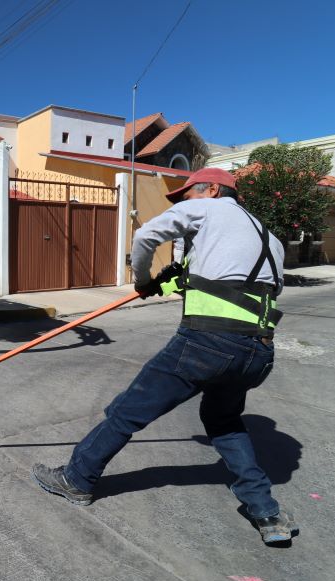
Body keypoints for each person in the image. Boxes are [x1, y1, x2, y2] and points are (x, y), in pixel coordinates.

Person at [32, 167, 298, 544]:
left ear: (213, 189)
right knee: (223, 421)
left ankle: (76, 479)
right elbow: (240, 285)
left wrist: (141, 277)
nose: (184, 204)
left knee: (127, 411)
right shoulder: (268, 237)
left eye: (187, 196)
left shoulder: (211, 209)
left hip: (206, 344)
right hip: (257, 352)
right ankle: (266, 511)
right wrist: (172, 280)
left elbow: (146, 234)